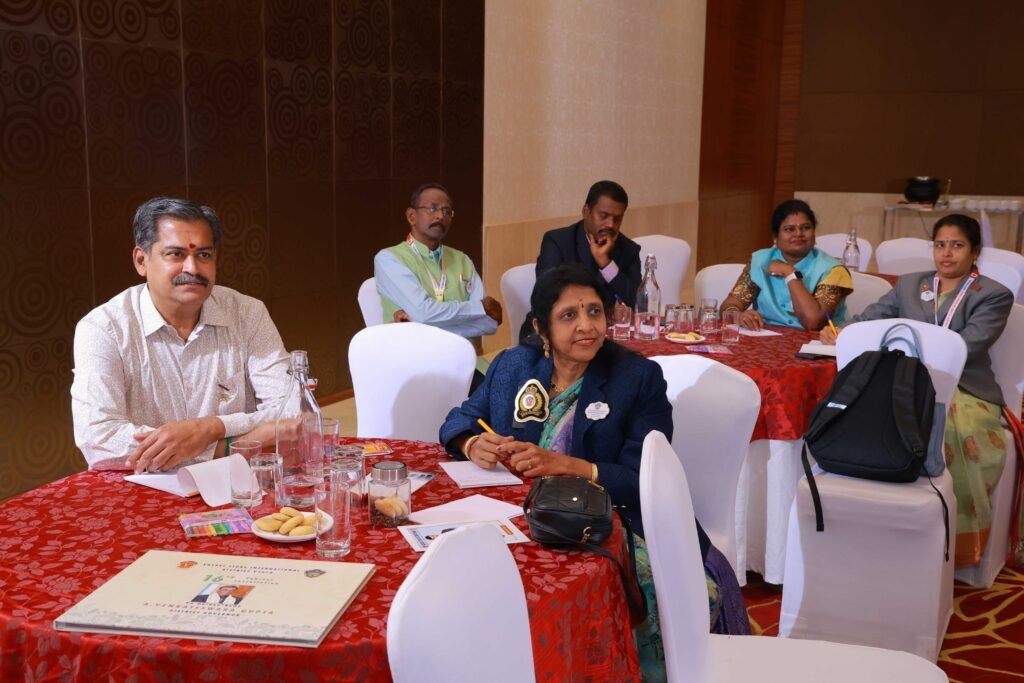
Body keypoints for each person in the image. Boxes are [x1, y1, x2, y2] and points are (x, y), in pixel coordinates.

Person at [439, 264, 749, 678]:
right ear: (541, 328)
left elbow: (644, 480)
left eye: (594, 311)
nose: (586, 326)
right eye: (569, 315)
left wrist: (566, 466)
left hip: (610, 521)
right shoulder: (513, 366)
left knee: (628, 596)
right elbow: (458, 419)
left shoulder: (636, 378)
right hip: (515, 518)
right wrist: (471, 443)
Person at [820, 214, 1015, 566]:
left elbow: (970, 344)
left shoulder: (992, 294)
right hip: (905, 381)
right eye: (940, 245)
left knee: (950, 429)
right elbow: (875, 316)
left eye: (957, 246)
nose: (947, 254)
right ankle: (883, 530)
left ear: (975, 251)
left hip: (963, 386)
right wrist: (842, 331)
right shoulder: (911, 284)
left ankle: (951, 541)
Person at [71, 197, 290, 473]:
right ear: (141, 261)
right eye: (176, 254)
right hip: (141, 489)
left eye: (204, 255)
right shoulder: (104, 328)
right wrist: (230, 446)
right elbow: (99, 439)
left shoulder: (247, 314)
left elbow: (292, 412)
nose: (192, 268)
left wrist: (210, 427)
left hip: (237, 486)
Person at [374, 183, 502, 380]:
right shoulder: (390, 259)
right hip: (417, 368)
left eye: (447, 211)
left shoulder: (462, 260)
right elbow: (424, 313)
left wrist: (423, 324)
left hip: (465, 363)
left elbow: (489, 323)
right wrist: (478, 308)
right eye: (432, 208)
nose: (440, 216)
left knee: (517, 383)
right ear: (412, 216)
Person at [521, 180, 641, 341]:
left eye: (617, 219)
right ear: (586, 211)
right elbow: (547, 295)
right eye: (603, 216)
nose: (610, 225)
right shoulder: (557, 241)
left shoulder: (628, 249)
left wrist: (606, 264)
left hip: (603, 335)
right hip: (553, 332)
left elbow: (638, 303)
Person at [721, 199, 853, 331]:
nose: (799, 234)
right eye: (789, 229)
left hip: (819, 340)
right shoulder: (760, 261)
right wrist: (737, 315)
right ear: (775, 236)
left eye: (806, 228)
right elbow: (729, 306)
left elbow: (814, 322)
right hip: (765, 336)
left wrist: (790, 273)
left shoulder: (832, 270)